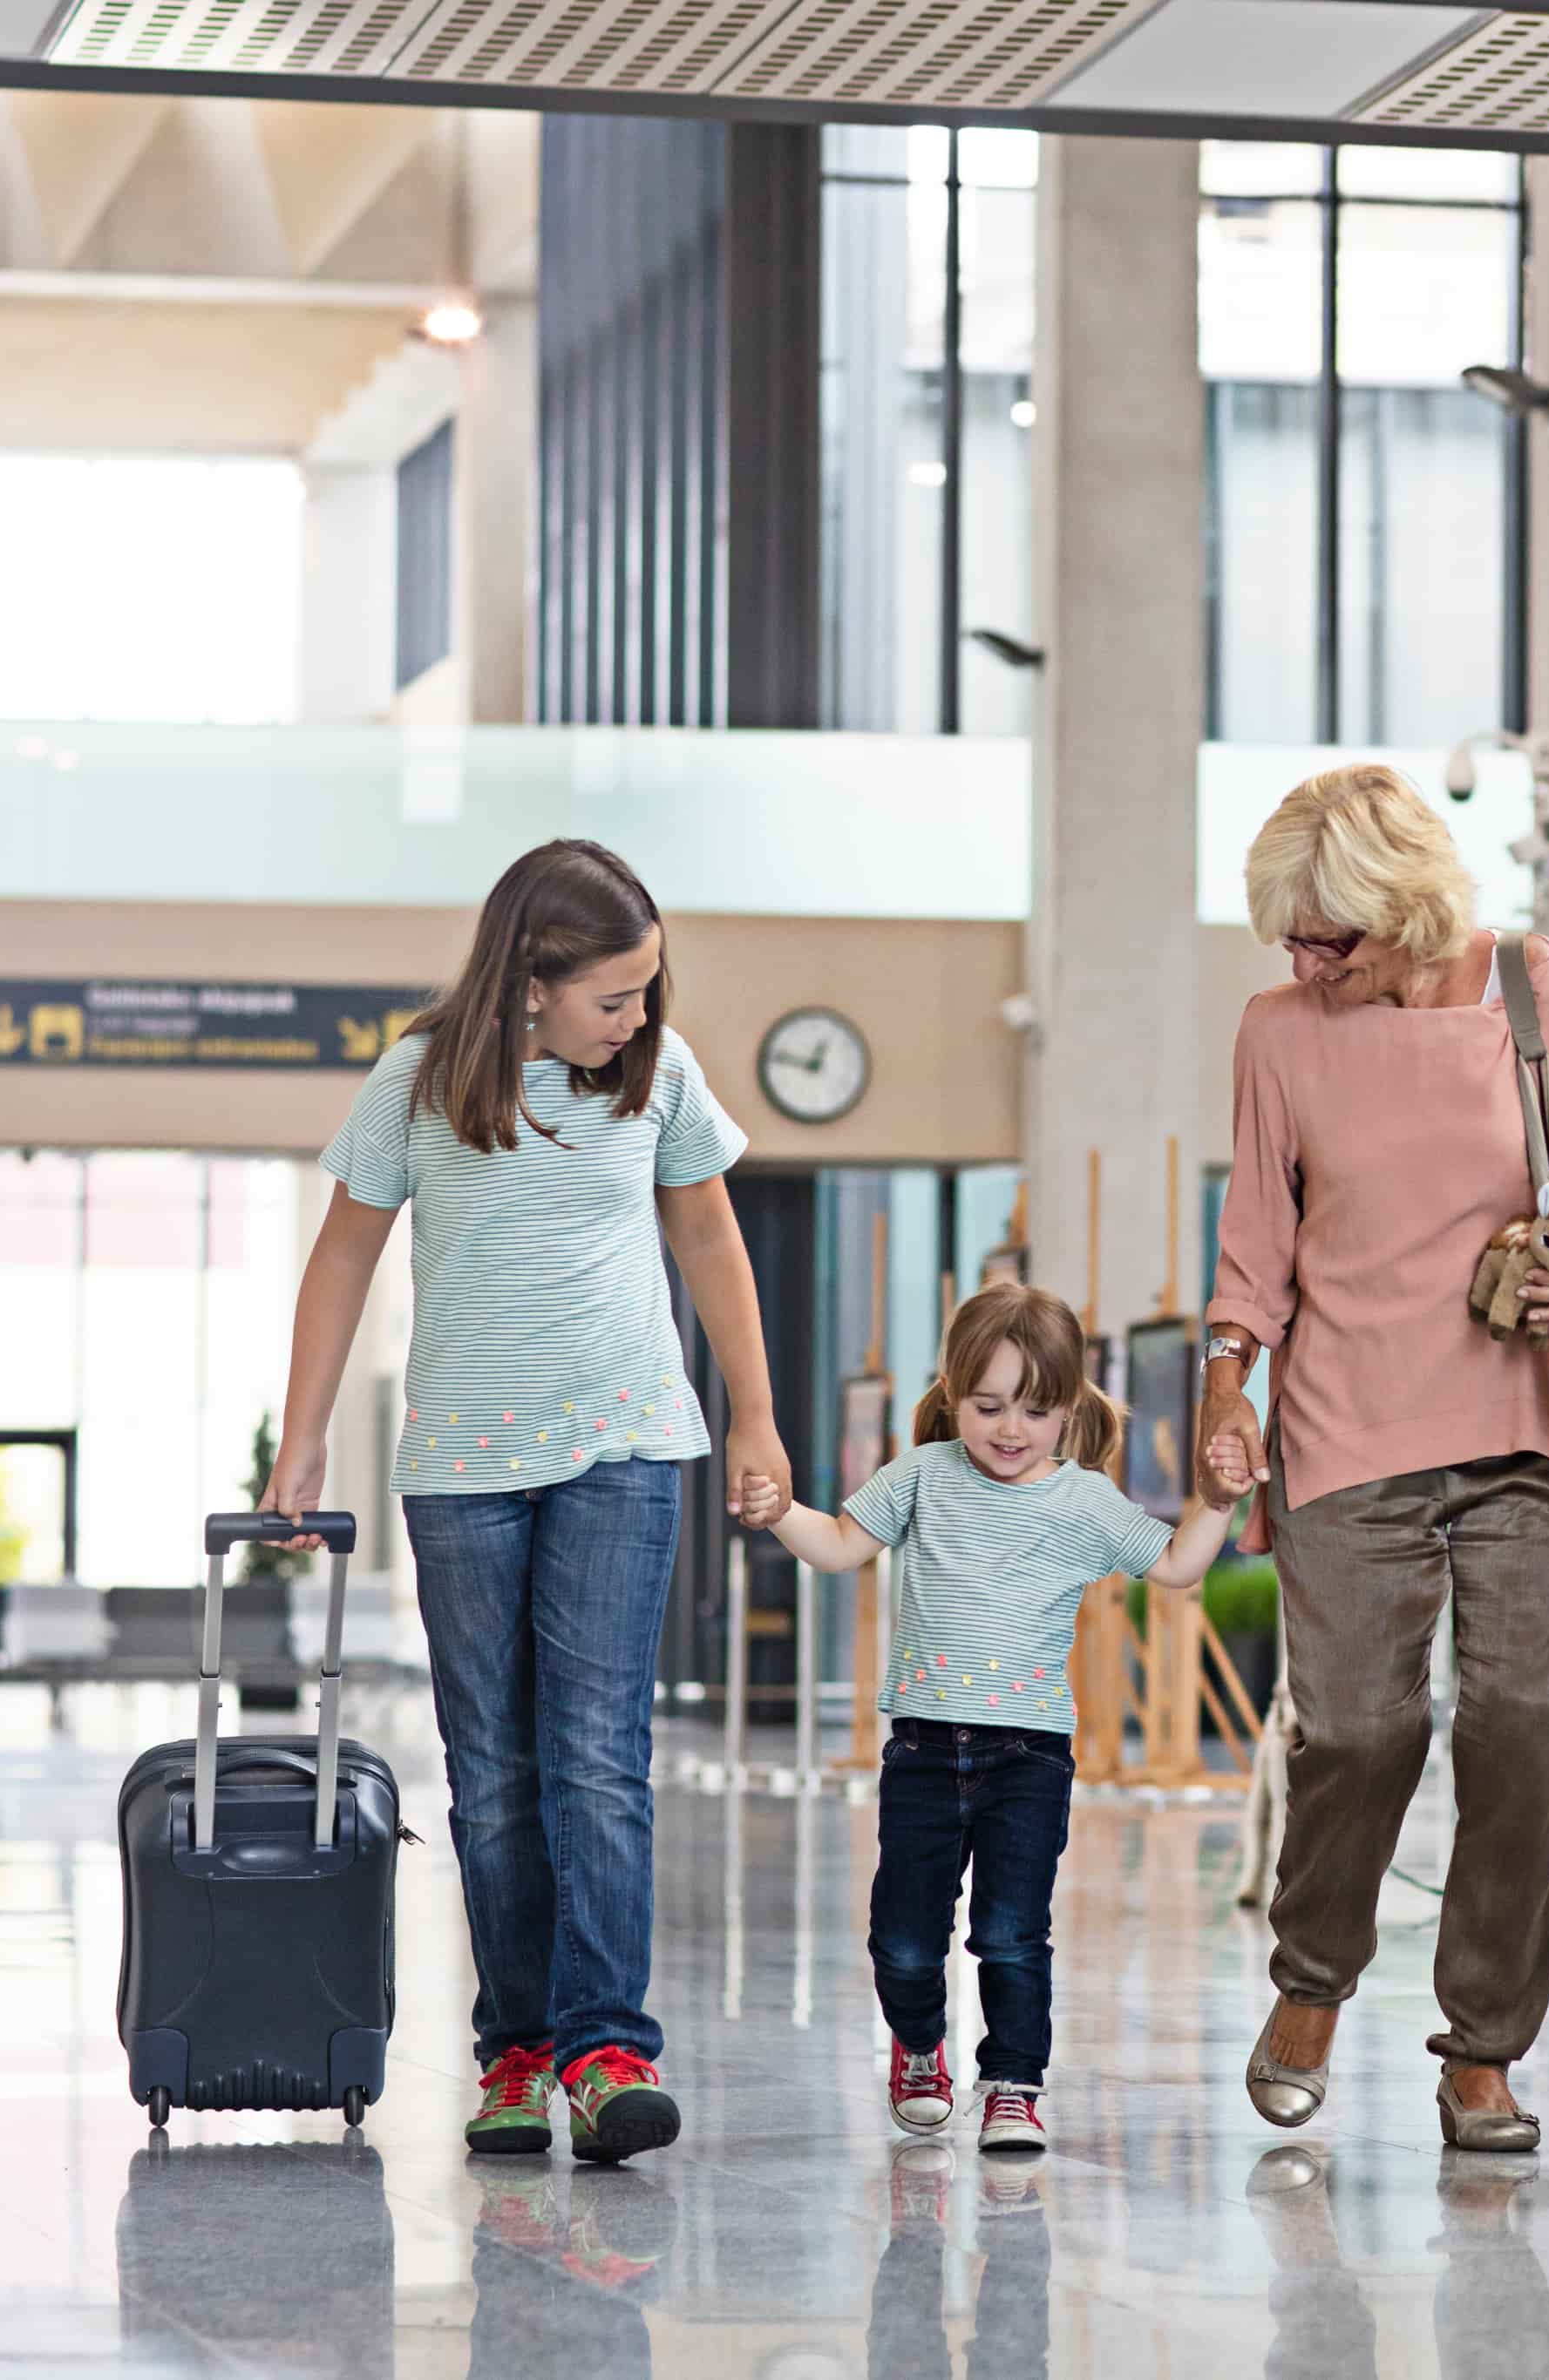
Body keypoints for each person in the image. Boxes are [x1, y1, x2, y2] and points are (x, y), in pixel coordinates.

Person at [265, 837, 785, 2166]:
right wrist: (304, 1434)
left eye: (648, 990)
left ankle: (608, 2046)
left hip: (624, 1444)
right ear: (531, 983)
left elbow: (711, 1234)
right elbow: (343, 1251)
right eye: (614, 996)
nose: (639, 1016)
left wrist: (756, 1413)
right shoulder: (422, 1078)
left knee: (599, 1757)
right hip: (462, 1468)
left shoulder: (658, 1076)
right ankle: (514, 2047)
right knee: (495, 1774)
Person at [1192, 763, 1549, 2155]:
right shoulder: (1280, 1032)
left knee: (1512, 1729)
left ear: (1402, 909)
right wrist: (1229, 1386)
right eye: (1288, 936)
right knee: (1355, 1729)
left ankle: (1485, 2052)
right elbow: (1255, 1239)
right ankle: (1314, 1979)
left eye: (1328, 935)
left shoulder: (1533, 986)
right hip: (1345, 1424)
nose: (1303, 960)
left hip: (1532, 1423)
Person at [741, 1280, 1229, 2156]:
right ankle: (920, 2046)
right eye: (989, 1405)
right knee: (902, 1933)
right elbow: (841, 1548)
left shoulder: (1081, 1500)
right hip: (924, 1751)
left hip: (1029, 1758)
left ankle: (1012, 2080)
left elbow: (1179, 1567)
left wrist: (1220, 1501)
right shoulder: (922, 1477)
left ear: (1069, 1407)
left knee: (1010, 1930)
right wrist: (781, 1514)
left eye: (1036, 1411)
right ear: (952, 1391)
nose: (1011, 1430)